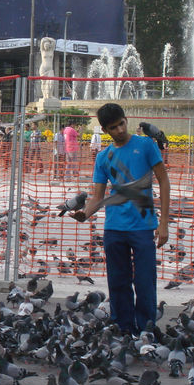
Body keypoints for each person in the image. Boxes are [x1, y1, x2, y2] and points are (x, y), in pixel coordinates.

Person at [70, 103, 169, 334]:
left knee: (145, 283)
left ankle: (145, 331)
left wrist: (163, 223)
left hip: (143, 226)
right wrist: (85, 213)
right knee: (118, 282)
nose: (120, 130)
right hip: (114, 227)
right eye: (113, 127)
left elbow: (164, 180)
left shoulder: (146, 145)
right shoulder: (103, 157)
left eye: (122, 124)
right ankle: (123, 330)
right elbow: (97, 197)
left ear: (126, 120)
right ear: (105, 130)